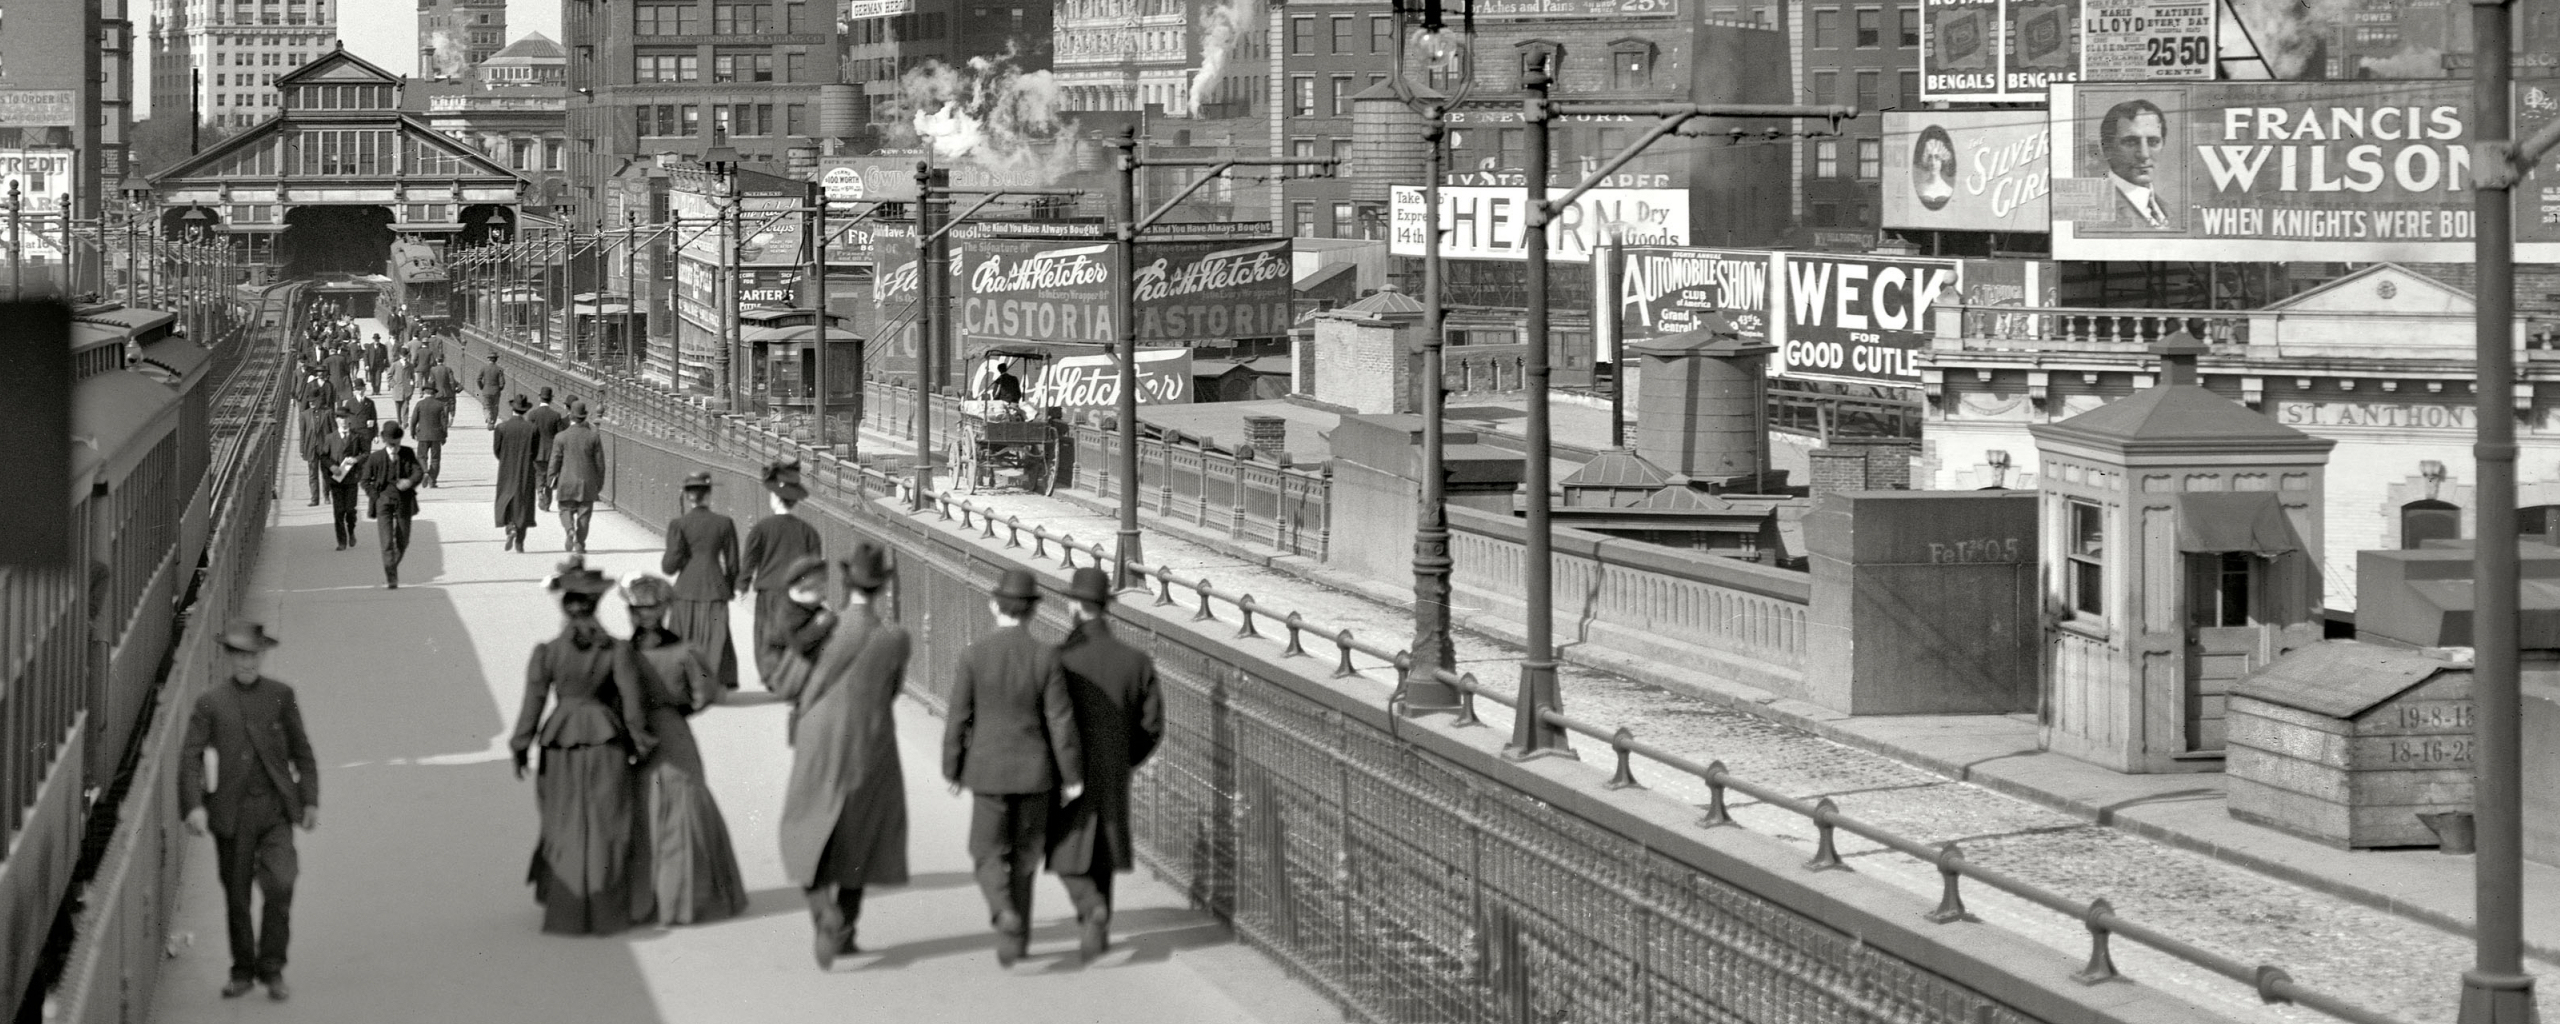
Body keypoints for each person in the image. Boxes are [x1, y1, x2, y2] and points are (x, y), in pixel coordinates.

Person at [776, 546, 914, 968]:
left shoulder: (825, 628)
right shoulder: (896, 638)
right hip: (871, 743)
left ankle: (824, 912)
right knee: (862, 836)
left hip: (819, 739)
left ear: (847, 583)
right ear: (883, 587)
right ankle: (847, 928)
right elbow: (891, 692)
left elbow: (789, 683)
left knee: (804, 826)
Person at [941, 569, 1082, 967]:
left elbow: (958, 719)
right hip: (1036, 775)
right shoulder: (1046, 656)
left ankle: (1002, 910)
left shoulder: (973, 654)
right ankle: (1016, 943)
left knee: (986, 851)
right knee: (1025, 857)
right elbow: (1061, 721)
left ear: (993, 605)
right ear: (1033, 611)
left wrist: (952, 769)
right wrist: (1072, 776)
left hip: (986, 772)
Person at [512, 559, 656, 935]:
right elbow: (632, 704)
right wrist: (639, 741)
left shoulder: (547, 652)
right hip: (606, 740)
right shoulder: (618, 650)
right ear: (596, 605)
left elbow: (533, 702)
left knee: (563, 822)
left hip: (560, 742)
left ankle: (566, 909)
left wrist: (520, 744)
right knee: (608, 820)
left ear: (564, 606)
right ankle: (607, 911)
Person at [178, 620, 319, 1002]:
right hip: (231, 815)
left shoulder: (280, 695)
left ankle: (272, 967)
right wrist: (193, 806)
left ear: (262, 656)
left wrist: (309, 800)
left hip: (274, 811)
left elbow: (302, 751)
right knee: (237, 896)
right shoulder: (211, 702)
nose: (248, 663)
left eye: (253, 656)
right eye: (241, 656)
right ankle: (242, 970)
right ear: (230, 659)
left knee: (282, 884)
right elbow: (190, 757)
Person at [1045, 567, 1163, 961]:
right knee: (1104, 852)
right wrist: (1126, 758)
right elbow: (1152, 726)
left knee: (1065, 848)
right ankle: (1098, 924)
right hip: (1115, 769)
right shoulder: (1136, 661)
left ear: (1076, 607)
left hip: (1069, 770)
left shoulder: (1060, 659)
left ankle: (1090, 909)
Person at [619, 573, 750, 927]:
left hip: (636, 734)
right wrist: (677, 711)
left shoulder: (622, 652)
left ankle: (643, 899)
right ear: (664, 610)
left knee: (642, 805)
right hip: (674, 733)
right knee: (685, 807)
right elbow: (704, 695)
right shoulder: (686, 651)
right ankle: (685, 897)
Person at [742, 459, 823, 687]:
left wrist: (742, 584)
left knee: (766, 633)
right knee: (793, 632)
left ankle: (770, 675)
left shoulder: (762, 528)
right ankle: (792, 675)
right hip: (796, 592)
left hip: (768, 590)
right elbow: (814, 565)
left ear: (776, 498)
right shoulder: (809, 532)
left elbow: (750, 559)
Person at [661, 473, 742, 691]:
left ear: (688, 497)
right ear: (709, 495)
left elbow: (669, 566)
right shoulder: (724, 523)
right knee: (716, 636)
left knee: (683, 634)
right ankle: (716, 678)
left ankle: (685, 679)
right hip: (715, 586)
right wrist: (729, 586)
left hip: (686, 586)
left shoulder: (679, 524)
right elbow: (733, 564)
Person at [359, 421, 426, 588]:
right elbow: (365, 481)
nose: (395, 447)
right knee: (387, 541)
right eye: (391, 444)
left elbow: (418, 472)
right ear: (384, 441)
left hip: (404, 501)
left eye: (397, 444)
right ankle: (392, 576)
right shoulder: (375, 458)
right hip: (384, 503)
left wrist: (409, 482)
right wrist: (376, 497)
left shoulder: (408, 453)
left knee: (403, 541)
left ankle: (391, 566)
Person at [2098, 98, 2171, 230]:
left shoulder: (2169, 212)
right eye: (2131, 142)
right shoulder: (2097, 210)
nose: (2144, 154)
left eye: (2153, 142)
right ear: (2107, 149)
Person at [548, 402, 605, 554]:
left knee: (565, 508)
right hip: (586, 482)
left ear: (571, 416)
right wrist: (599, 484)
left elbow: (555, 460)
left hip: (566, 481)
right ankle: (579, 542)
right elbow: (600, 464)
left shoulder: (561, 437)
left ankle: (569, 530)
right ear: (584, 416)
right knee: (584, 513)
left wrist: (551, 478)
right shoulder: (593, 436)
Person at [493, 395, 542, 552]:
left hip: (507, 467)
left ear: (512, 409)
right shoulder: (532, 428)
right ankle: (520, 542)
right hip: (526, 468)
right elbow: (535, 451)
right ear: (526, 410)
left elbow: (497, 450)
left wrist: (506, 458)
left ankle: (509, 526)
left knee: (505, 497)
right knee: (524, 502)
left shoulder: (501, 428)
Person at [323, 411, 367, 551]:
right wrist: (332, 466)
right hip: (336, 479)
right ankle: (341, 541)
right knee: (338, 511)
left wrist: (356, 459)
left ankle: (351, 531)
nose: (343, 421)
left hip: (351, 479)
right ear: (336, 420)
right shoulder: (330, 438)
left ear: (349, 419)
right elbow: (323, 456)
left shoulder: (357, 436)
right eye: (340, 418)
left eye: (345, 418)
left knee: (350, 510)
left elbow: (366, 453)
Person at [527, 388, 564, 513]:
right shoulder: (556, 415)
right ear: (551, 399)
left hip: (537, 450)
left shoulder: (532, 414)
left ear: (539, 397)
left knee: (539, 474)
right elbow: (560, 435)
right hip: (551, 451)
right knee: (550, 475)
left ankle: (539, 491)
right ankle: (547, 503)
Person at [407, 386, 451, 488]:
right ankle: (432, 481)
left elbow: (413, 420)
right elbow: (444, 422)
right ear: (434, 394)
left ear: (425, 393)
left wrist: (412, 432)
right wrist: (444, 436)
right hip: (436, 436)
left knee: (421, 456)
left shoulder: (420, 404)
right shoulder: (440, 405)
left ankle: (425, 471)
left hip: (422, 435)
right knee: (435, 459)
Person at [298, 394, 333, 507]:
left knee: (326, 474)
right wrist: (302, 449)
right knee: (312, 474)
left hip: (325, 448)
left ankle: (326, 496)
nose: (311, 403)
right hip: (311, 448)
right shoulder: (304, 415)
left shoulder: (327, 412)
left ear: (319, 400)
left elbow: (334, 430)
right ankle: (314, 499)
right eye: (310, 401)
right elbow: (302, 433)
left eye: (314, 401)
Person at [1912, 124, 1956, 212]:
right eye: (1929, 157)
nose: (1933, 163)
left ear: (1942, 161)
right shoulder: (1919, 188)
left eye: (1937, 158)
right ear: (1925, 160)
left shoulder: (1948, 189)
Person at [477, 353, 508, 427]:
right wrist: (499, 388)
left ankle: (488, 418)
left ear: (488, 359)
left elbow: (478, 379)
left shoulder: (483, 368)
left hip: (486, 390)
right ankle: (493, 421)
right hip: (495, 391)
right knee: (495, 406)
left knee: (486, 406)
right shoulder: (499, 369)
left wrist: (482, 387)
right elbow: (502, 382)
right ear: (496, 360)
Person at [387, 350, 415, 424]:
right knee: (398, 407)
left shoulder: (410, 365)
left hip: (406, 389)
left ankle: (405, 423)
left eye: (406, 356)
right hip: (397, 389)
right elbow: (389, 375)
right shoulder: (395, 365)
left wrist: (412, 386)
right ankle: (399, 421)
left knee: (406, 407)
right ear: (400, 356)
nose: (405, 357)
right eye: (403, 356)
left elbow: (412, 377)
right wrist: (393, 384)